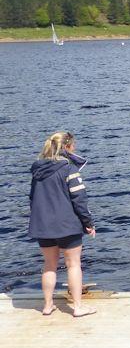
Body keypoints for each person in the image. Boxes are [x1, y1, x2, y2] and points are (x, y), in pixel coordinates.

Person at [28, 132, 97, 317]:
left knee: (49, 264)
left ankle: (48, 306)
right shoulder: (69, 168)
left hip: (43, 225)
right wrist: (88, 223)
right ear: (67, 147)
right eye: (73, 145)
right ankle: (78, 307)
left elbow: (32, 198)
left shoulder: (37, 170)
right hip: (67, 224)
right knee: (73, 265)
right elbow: (79, 199)